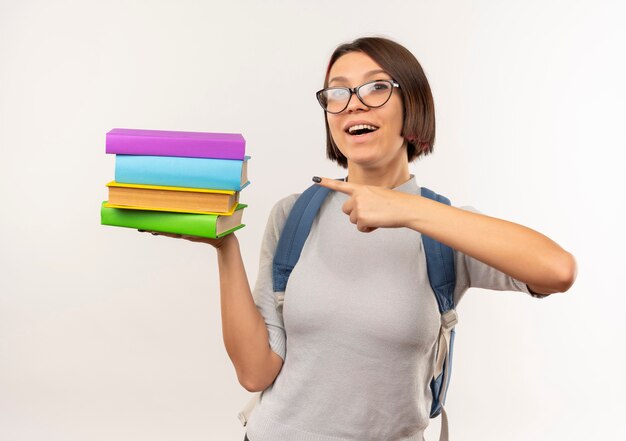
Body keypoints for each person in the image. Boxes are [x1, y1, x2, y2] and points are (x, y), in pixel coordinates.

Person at [145, 37, 577, 441]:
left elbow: (557, 271)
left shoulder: (444, 227)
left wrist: (409, 209)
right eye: (337, 93)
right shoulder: (294, 215)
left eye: (375, 88)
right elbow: (256, 373)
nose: (352, 104)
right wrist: (224, 246)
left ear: (413, 107)